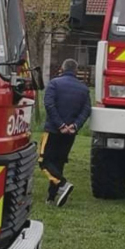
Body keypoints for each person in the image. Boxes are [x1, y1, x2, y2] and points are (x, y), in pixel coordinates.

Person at [40, 59, 91, 207]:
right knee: (58, 162)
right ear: (76, 71)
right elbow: (86, 110)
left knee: (44, 161)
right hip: (70, 133)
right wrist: (74, 126)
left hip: (53, 130)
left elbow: (49, 105)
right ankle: (51, 197)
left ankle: (62, 184)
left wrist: (60, 124)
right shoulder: (83, 88)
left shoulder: (54, 84)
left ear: (62, 68)